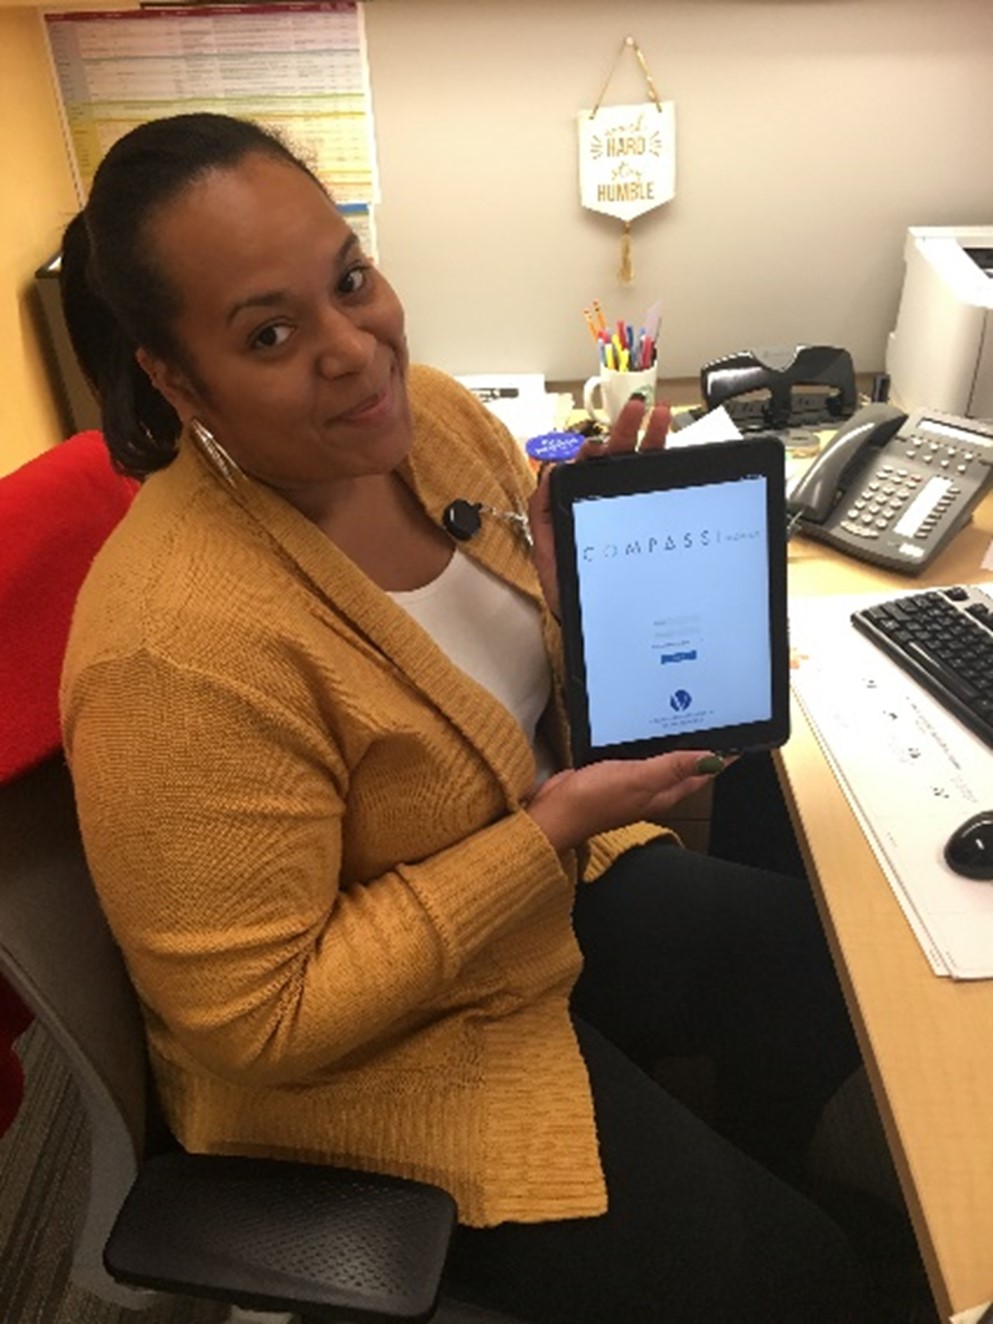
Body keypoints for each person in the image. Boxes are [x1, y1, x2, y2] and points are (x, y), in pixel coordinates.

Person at [58, 113, 877, 1323]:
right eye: (272, 332)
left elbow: (492, 720)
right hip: (378, 1058)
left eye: (350, 280)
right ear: (175, 379)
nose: (354, 350)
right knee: (807, 1285)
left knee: (815, 969)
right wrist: (546, 828)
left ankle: (766, 1180)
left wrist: (580, 606)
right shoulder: (175, 649)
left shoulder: (433, 419)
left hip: (541, 904)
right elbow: (259, 1022)